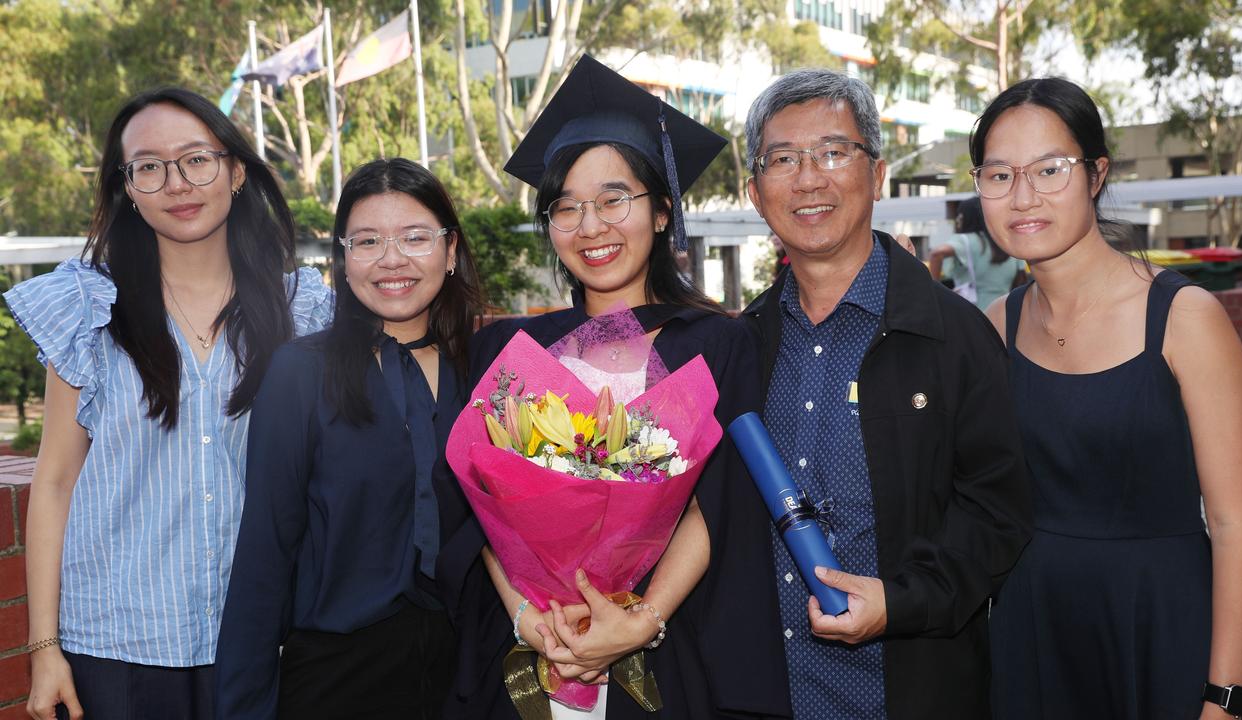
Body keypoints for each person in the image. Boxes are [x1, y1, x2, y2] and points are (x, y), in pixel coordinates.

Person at [437, 55, 791, 720]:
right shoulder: (509, 351)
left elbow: (723, 506)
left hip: (665, 651)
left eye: (612, 199)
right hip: (528, 655)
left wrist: (640, 620)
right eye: (565, 207)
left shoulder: (715, 345)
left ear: (662, 212)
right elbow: (478, 504)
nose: (590, 226)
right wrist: (523, 617)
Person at [6, 87, 332, 720]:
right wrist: (45, 648)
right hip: (117, 645)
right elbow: (53, 482)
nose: (176, 183)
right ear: (127, 186)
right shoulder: (86, 311)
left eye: (196, 159)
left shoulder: (299, 310)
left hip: (266, 639)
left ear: (236, 171)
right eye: (148, 166)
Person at [739, 69, 1033, 719]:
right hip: (765, 696)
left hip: (911, 692)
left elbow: (996, 512)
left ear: (876, 176)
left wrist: (902, 602)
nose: (809, 178)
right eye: (783, 159)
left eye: (834, 152)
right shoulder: (742, 347)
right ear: (756, 192)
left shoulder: (953, 337)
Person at [975, 78, 1242, 720]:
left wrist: (1226, 694)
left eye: (1050, 169)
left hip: (1159, 627)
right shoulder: (996, 323)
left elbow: (1236, 526)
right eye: (999, 175)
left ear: (1096, 173)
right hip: (1032, 632)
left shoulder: (1186, 318)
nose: (1023, 196)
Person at [214, 159, 484, 719]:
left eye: (415, 237)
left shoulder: (487, 372)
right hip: (339, 677)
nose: (392, 259)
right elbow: (266, 547)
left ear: (451, 250)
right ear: (343, 257)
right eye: (367, 241)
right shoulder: (300, 373)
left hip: (470, 675)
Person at [928, 195, 1019, 309]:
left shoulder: (965, 240)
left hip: (974, 313)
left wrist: (933, 292)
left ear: (963, 217)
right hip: (1005, 310)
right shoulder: (1007, 240)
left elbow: (936, 253)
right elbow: (1020, 279)